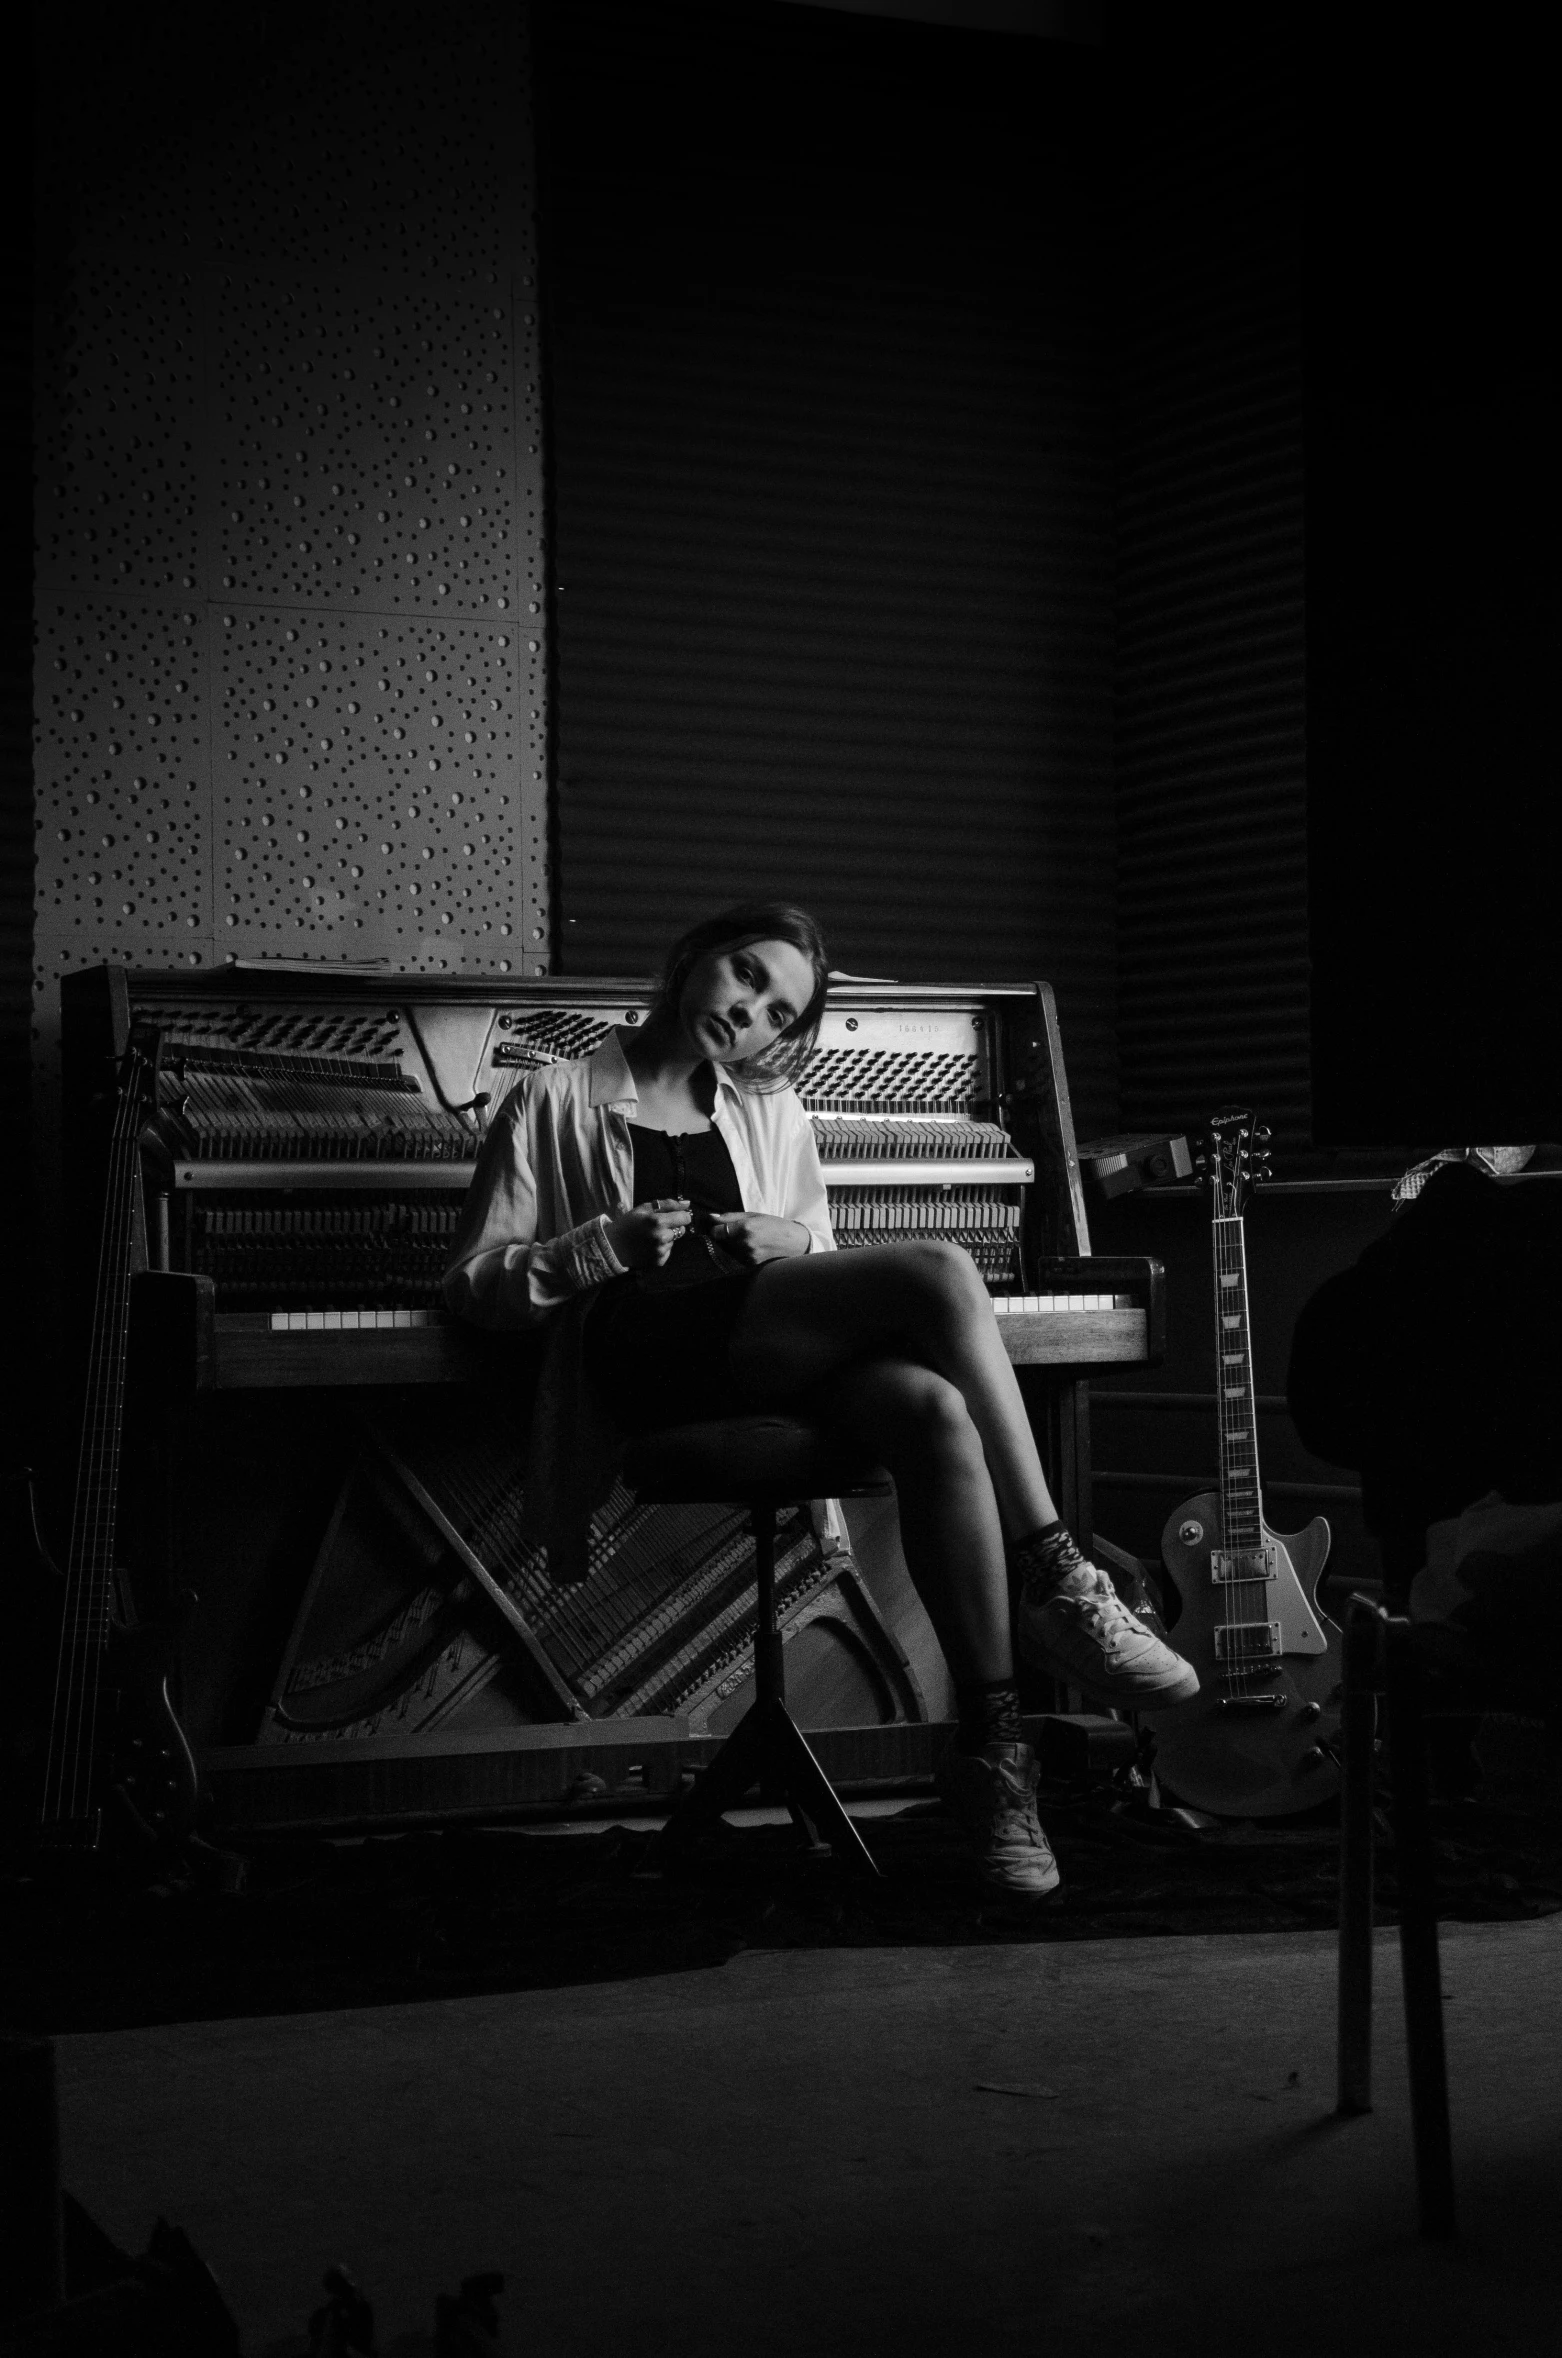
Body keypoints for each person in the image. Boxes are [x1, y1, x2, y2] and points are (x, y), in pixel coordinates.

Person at [445, 901, 1198, 1897]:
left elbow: (824, 1272)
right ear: (694, 958)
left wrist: (790, 1242)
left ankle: (992, 1755)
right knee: (935, 1273)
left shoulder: (766, 1110)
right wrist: (605, 1245)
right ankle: (1059, 1581)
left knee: (932, 1411)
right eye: (743, 976)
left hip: (756, 1346)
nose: (748, 1012)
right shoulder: (553, 1096)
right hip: (639, 1355)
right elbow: (473, 1286)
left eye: (775, 1012)